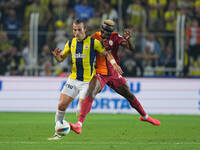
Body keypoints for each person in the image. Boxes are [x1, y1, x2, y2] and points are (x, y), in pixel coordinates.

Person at [69, 20, 161, 134]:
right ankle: (79, 124)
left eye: (107, 33)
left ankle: (145, 116)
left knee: (129, 95)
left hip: (113, 73)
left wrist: (128, 40)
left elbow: (130, 48)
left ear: (111, 32)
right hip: (99, 73)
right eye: (103, 32)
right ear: (101, 29)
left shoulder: (116, 37)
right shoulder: (94, 37)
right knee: (91, 91)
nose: (104, 35)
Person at [48, 18, 122, 140]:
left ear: (85, 29)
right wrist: (57, 57)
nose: (76, 32)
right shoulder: (71, 43)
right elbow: (61, 59)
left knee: (79, 109)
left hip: (87, 82)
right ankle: (57, 134)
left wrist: (114, 64)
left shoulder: (93, 42)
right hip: (73, 79)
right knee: (61, 106)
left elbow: (107, 53)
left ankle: (77, 125)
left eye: (79, 30)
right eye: (74, 30)